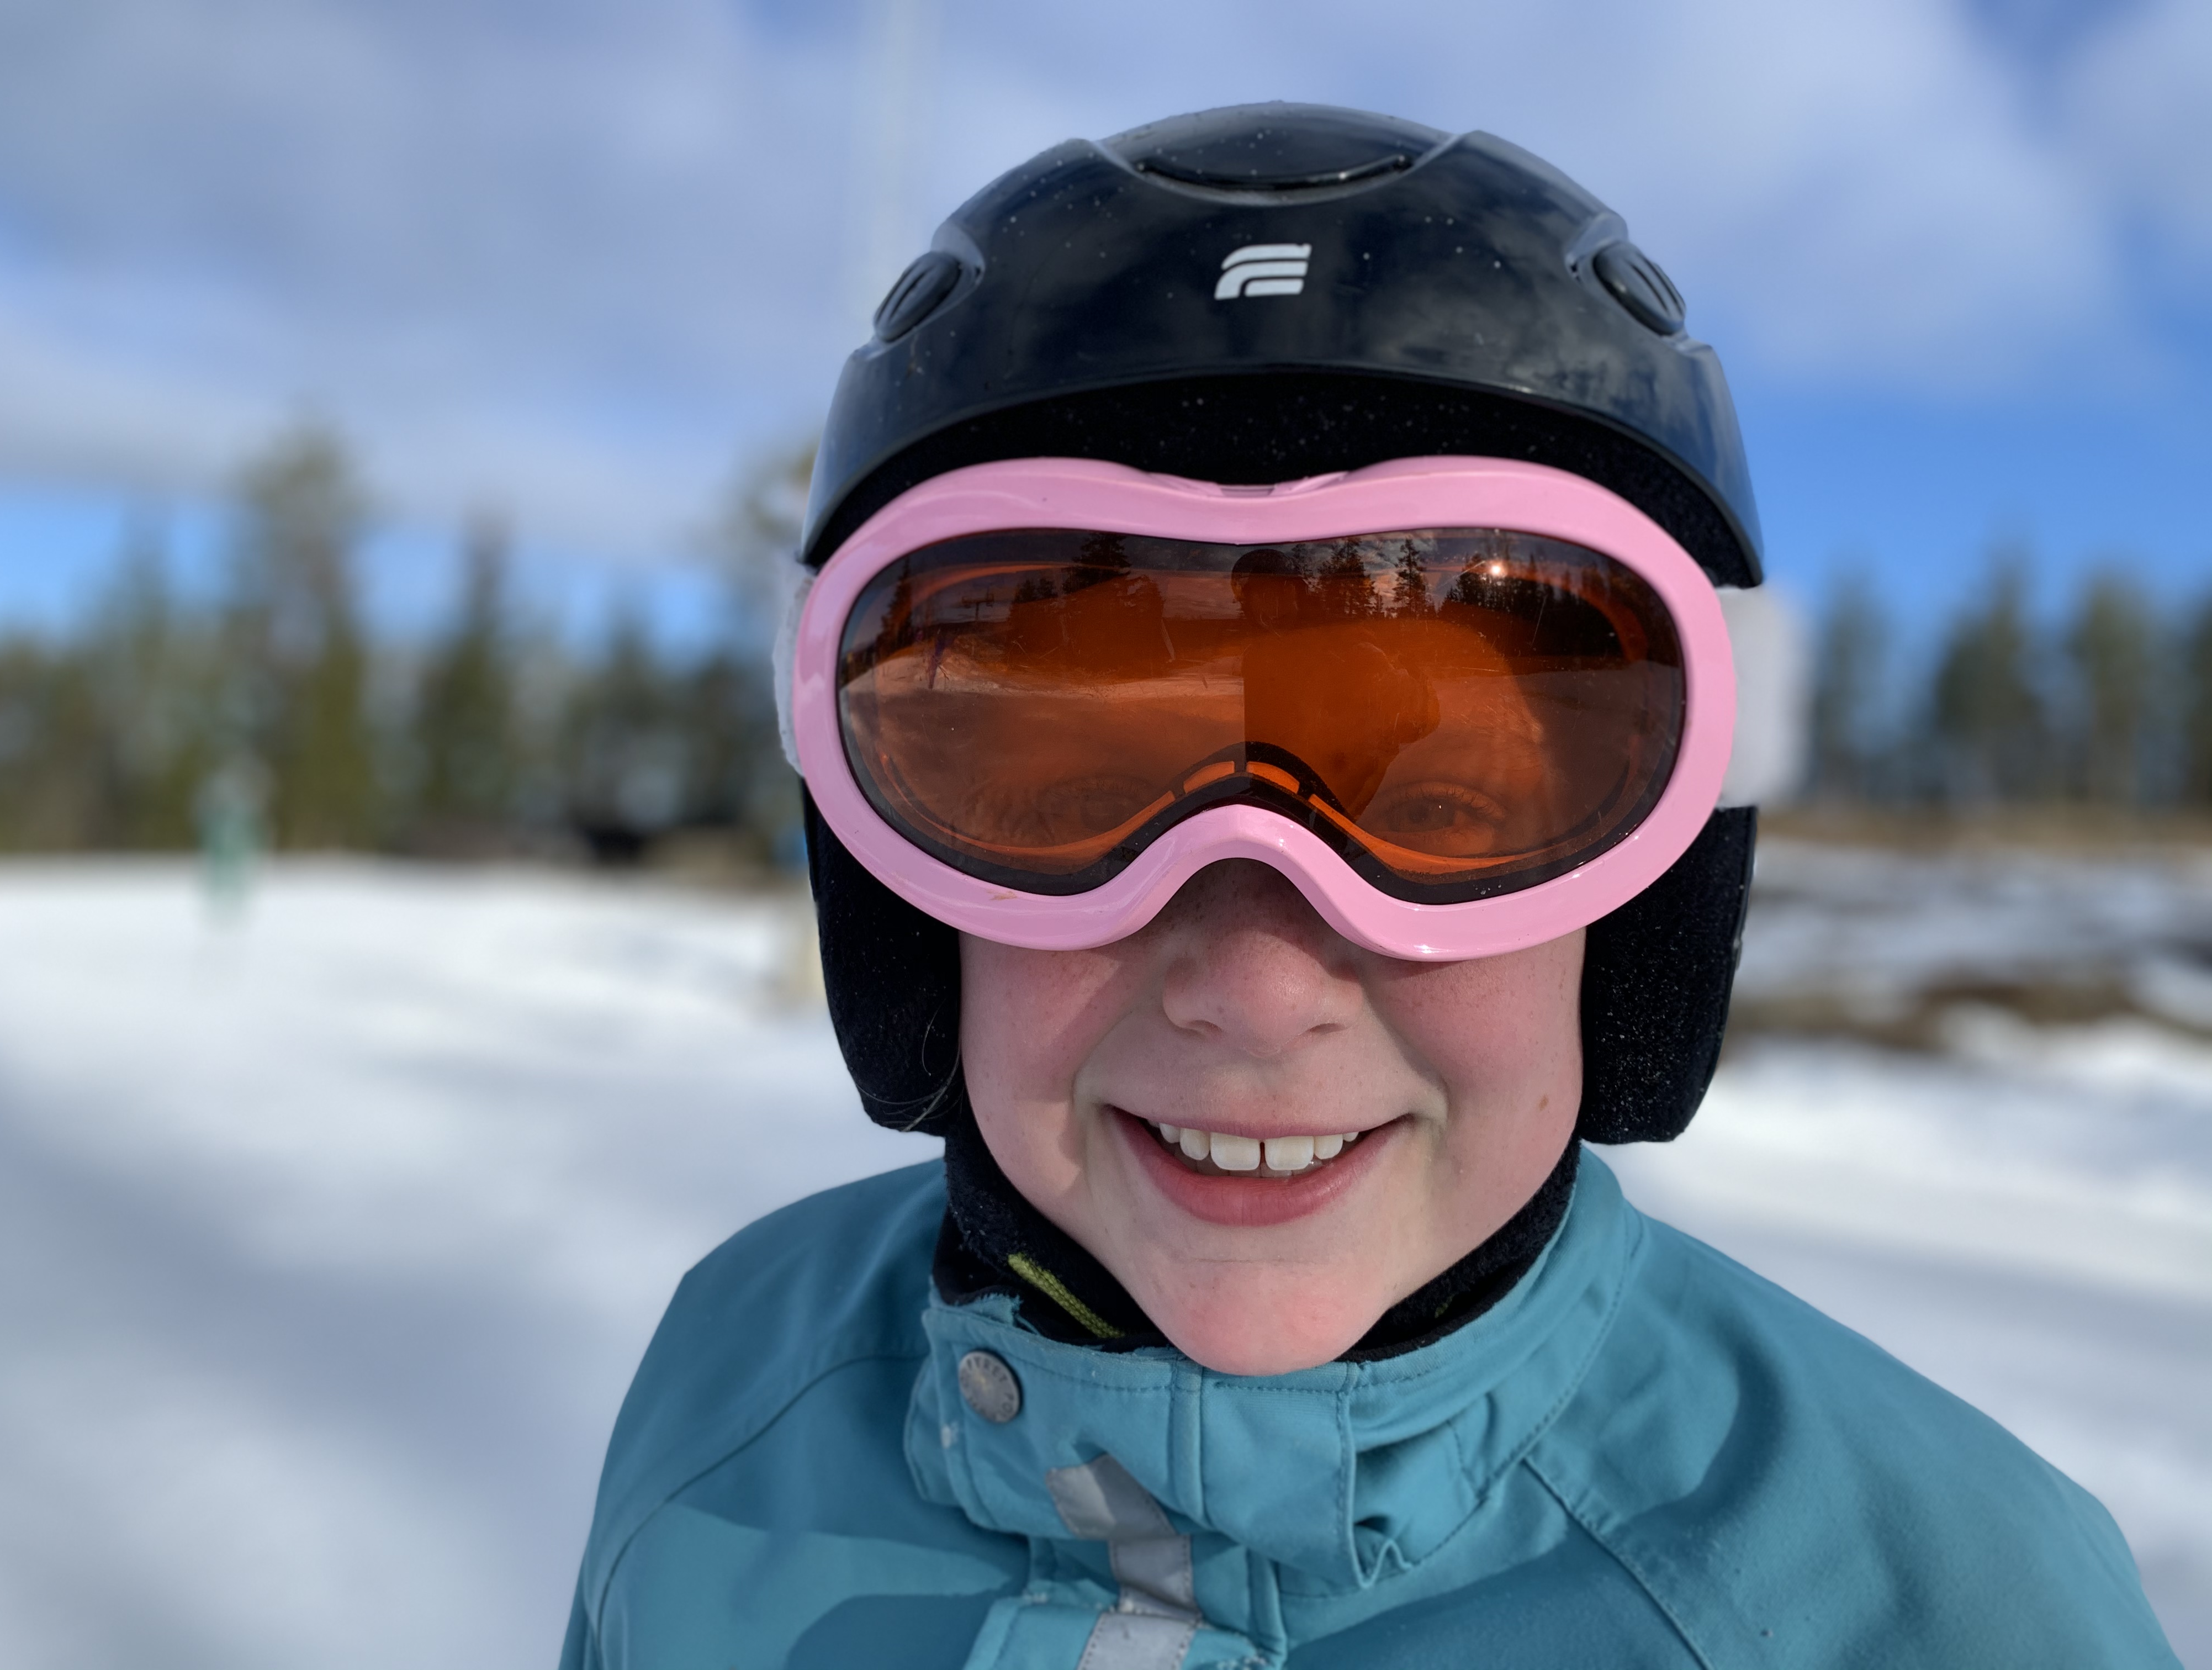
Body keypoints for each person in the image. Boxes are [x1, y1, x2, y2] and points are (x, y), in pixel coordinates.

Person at [560, 105, 2177, 1669]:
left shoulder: (1944, 1619)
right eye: (1066, 797)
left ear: (1651, 916)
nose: (1259, 991)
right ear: (904, 913)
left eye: (1450, 810)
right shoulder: (721, 1396)